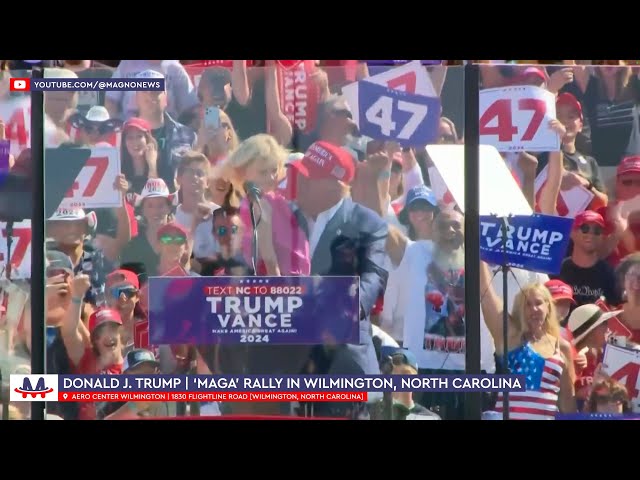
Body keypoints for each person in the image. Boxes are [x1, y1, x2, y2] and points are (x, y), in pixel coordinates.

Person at [288, 140, 389, 418]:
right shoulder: (286, 217)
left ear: (335, 185)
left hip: (343, 362)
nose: (300, 183)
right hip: (292, 364)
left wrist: (347, 309)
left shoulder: (367, 223)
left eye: (308, 177)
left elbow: (374, 277)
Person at [480, 261, 576, 419]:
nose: (534, 309)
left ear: (548, 306)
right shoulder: (511, 338)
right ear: (519, 309)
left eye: (538, 303)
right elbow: (485, 291)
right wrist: (479, 253)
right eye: (527, 304)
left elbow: (567, 403)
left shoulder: (562, 347)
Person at [567, 303, 622, 409]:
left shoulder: (607, 355)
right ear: (591, 334)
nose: (608, 328)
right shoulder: (571, 362)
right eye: (604, 323)